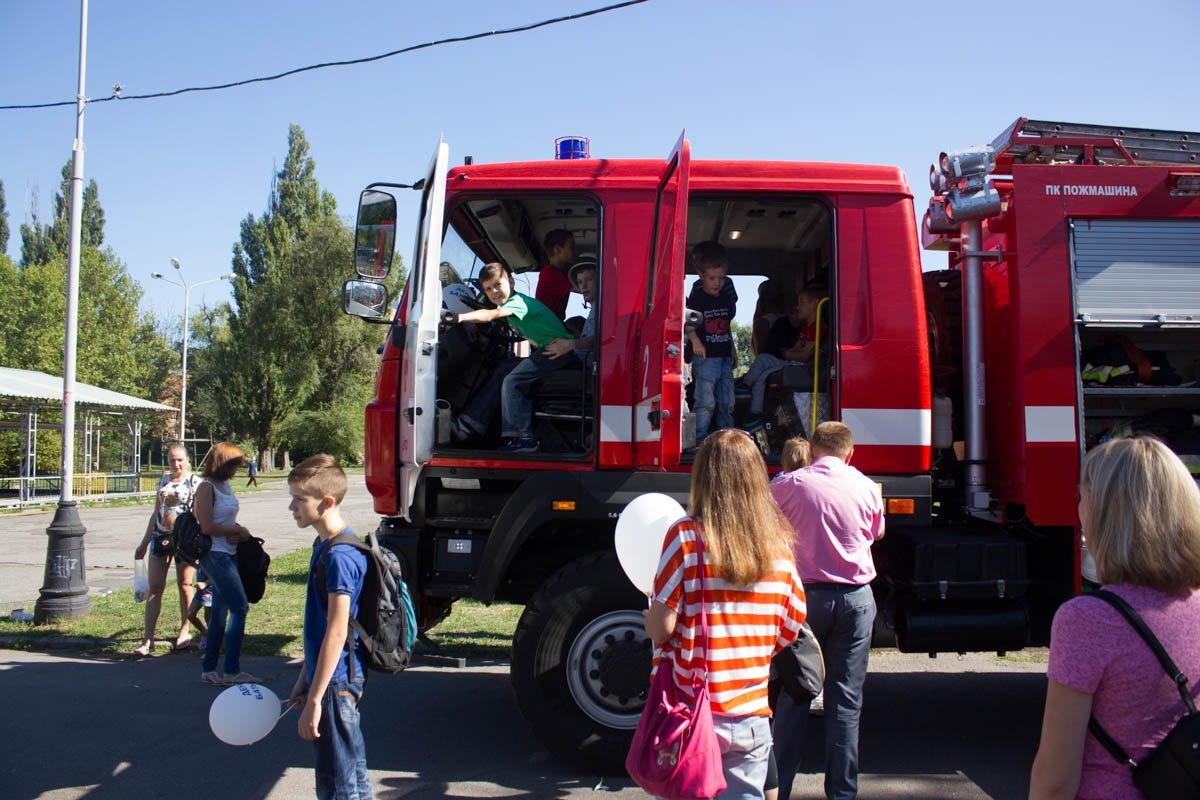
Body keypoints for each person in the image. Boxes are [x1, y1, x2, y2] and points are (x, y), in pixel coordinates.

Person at [1029, 436, 1200, 800]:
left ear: (1107, 513)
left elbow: (1055, 781)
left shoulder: (1088, 620)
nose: (1079, 509)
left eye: (1083, 496)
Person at [644, 429, 807, 800]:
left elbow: (660, 628)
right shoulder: (778, 545)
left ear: (703, 476)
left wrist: (649, 617)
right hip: (751, 717)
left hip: (691, 715)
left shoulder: (686, 537)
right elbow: (791, 625)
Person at [770, 422, 885, 800]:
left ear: (814, 449)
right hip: (856, 600)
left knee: (793, 695)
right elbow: (875, 533)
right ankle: (841, 793)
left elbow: (767, 527)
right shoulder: (867, 487)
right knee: (846, 701)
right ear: (850, 454)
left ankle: (778, 789)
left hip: (805, 602)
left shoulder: (789, 485)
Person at [287, 454, 373, 800]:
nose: (292, 507)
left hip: (337, 684)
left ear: (326, 502)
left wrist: (316, 699)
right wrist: (303, 680)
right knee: (351, 773)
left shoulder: (341, 557)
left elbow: (337, 633)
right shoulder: (323, 545)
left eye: (299, 499)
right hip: (330, 678)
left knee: (338, 784)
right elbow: (322, 629)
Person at [445, 262, 574, 453]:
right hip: (549, 352)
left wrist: (459, 318)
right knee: (504, 368)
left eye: (498, 284)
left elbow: (491, 314)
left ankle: (524, 438)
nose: (494, 291)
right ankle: (469, 425)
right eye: (488, 289)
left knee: (512, 380)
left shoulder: (518, 303)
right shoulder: (513, 306)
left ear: (511, 282)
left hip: (557, 352)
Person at [195, 442, 260, 686]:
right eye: (234, 464)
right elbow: (207, 527)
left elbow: (225, 520)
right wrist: (236, 530)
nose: (238, 469)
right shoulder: (206, 487)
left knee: (220, 614)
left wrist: (240, 532)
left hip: (230, 552)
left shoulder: (225, 486)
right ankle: (231, 670)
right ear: (221, 462)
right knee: (240, 607)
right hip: (215, 554)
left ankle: (209, 669)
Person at [132, 443, 201, 656]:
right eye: (172, 459)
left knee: (185, 585)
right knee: (155, 587)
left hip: (184, 539)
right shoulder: (163, 481)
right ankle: (148, 639)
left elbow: (199, 514)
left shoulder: (195, 482)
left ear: (187, 460)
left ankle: (184, 630)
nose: (176, 463)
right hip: (160, 537)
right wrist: (144, 543)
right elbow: (156, 513)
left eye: (180, 459)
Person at [738, 288, 826, 425]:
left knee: (764, 376)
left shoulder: (818, 328)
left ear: (814, 304)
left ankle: (756, 414)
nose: (797, 307)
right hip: (792, 362)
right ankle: (745, 384)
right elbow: (796, 349)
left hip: (802, 367)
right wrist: (788, 353)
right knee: (763, 359)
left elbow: (803, 356)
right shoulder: (806, 328)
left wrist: (787, 353)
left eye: (801, 303)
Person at [687, 242, 737, 441]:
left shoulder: (725, 298)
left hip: (724, 355)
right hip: (706, 357)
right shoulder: (698, 298)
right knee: (706, 400)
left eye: (721, 278)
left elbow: (726, 325)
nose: (717, 282)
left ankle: (728, 438)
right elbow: (688, 323)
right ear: (701, 276)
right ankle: (698, 438)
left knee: (727, 400)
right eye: (712, 278)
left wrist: (732, 348)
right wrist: (696, 343)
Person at [544, 259, 597, 367]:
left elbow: (602, 339)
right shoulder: (595, 310)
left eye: (590, 280)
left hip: (585, 366)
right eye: (580, 282)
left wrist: (570, 344)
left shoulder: (605, 309)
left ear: (601, 281)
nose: (584, 286)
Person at [534, 229, 576, 320]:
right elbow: (582, 288)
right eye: (571, 247)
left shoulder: (562, 272)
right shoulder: (550, 273)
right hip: (548, 327)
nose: (574, 251)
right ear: (557, 249)